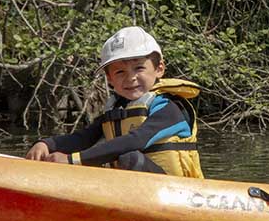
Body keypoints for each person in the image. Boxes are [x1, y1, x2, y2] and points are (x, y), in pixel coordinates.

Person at [25, 26, 204, 178]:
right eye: (120, 72)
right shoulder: (116, 109)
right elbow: (84, 138)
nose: (131, 78)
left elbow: (136, 140)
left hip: (176, 191)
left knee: (128, 156)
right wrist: (46, 144)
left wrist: (72, 160)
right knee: (112, 157)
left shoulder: (170, 109)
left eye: (139, 68)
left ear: (159, 69)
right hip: (133, 187)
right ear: (109, 78)